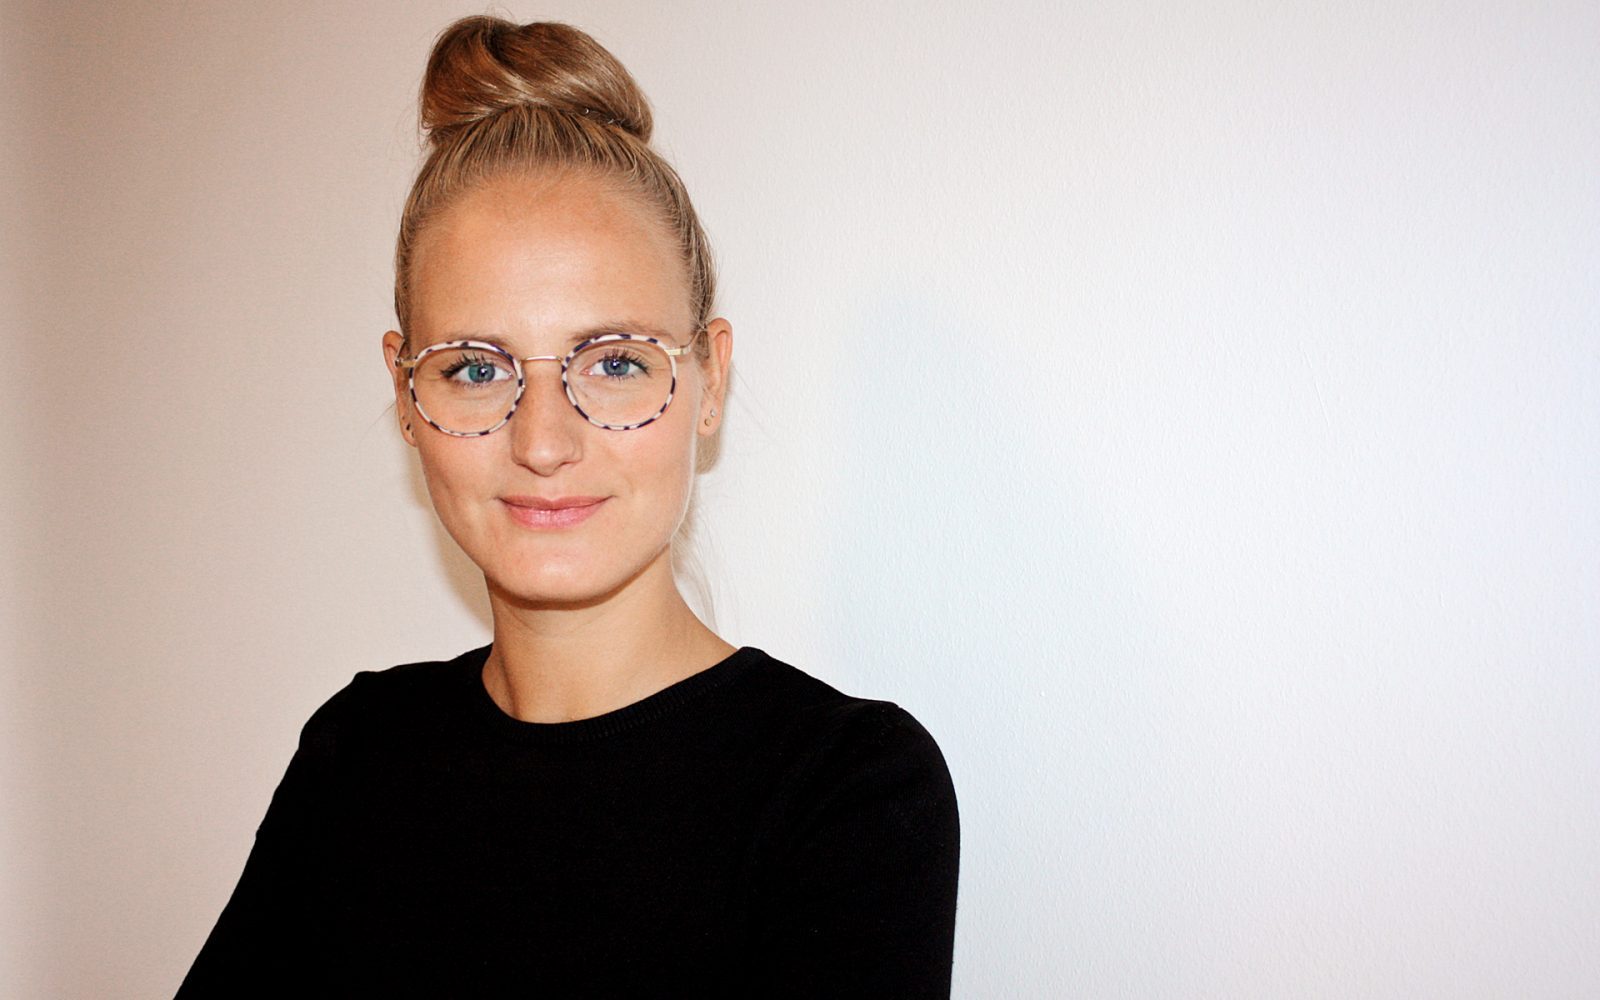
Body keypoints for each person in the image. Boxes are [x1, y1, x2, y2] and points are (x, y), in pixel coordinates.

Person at [177, 15, 959, 997]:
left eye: (616, 361)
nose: (542, 442)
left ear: (709, 378)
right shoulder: (358, 752)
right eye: (473, 366)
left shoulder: (846, 793)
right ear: (406, 393)